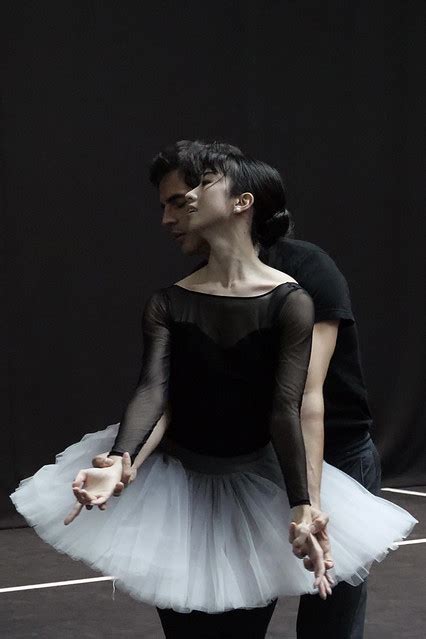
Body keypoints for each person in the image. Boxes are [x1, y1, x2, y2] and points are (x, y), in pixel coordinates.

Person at [10, 145, 416, 639]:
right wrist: (121, 459)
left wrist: (306, 501)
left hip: (317, 449)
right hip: (200, 464)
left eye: (182, 200)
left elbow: (299, 402)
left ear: (240, 201)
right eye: (167, 204)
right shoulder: (171, 299)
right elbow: (158, 390)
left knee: (331, 602)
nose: (170, 216)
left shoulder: (300, 285)